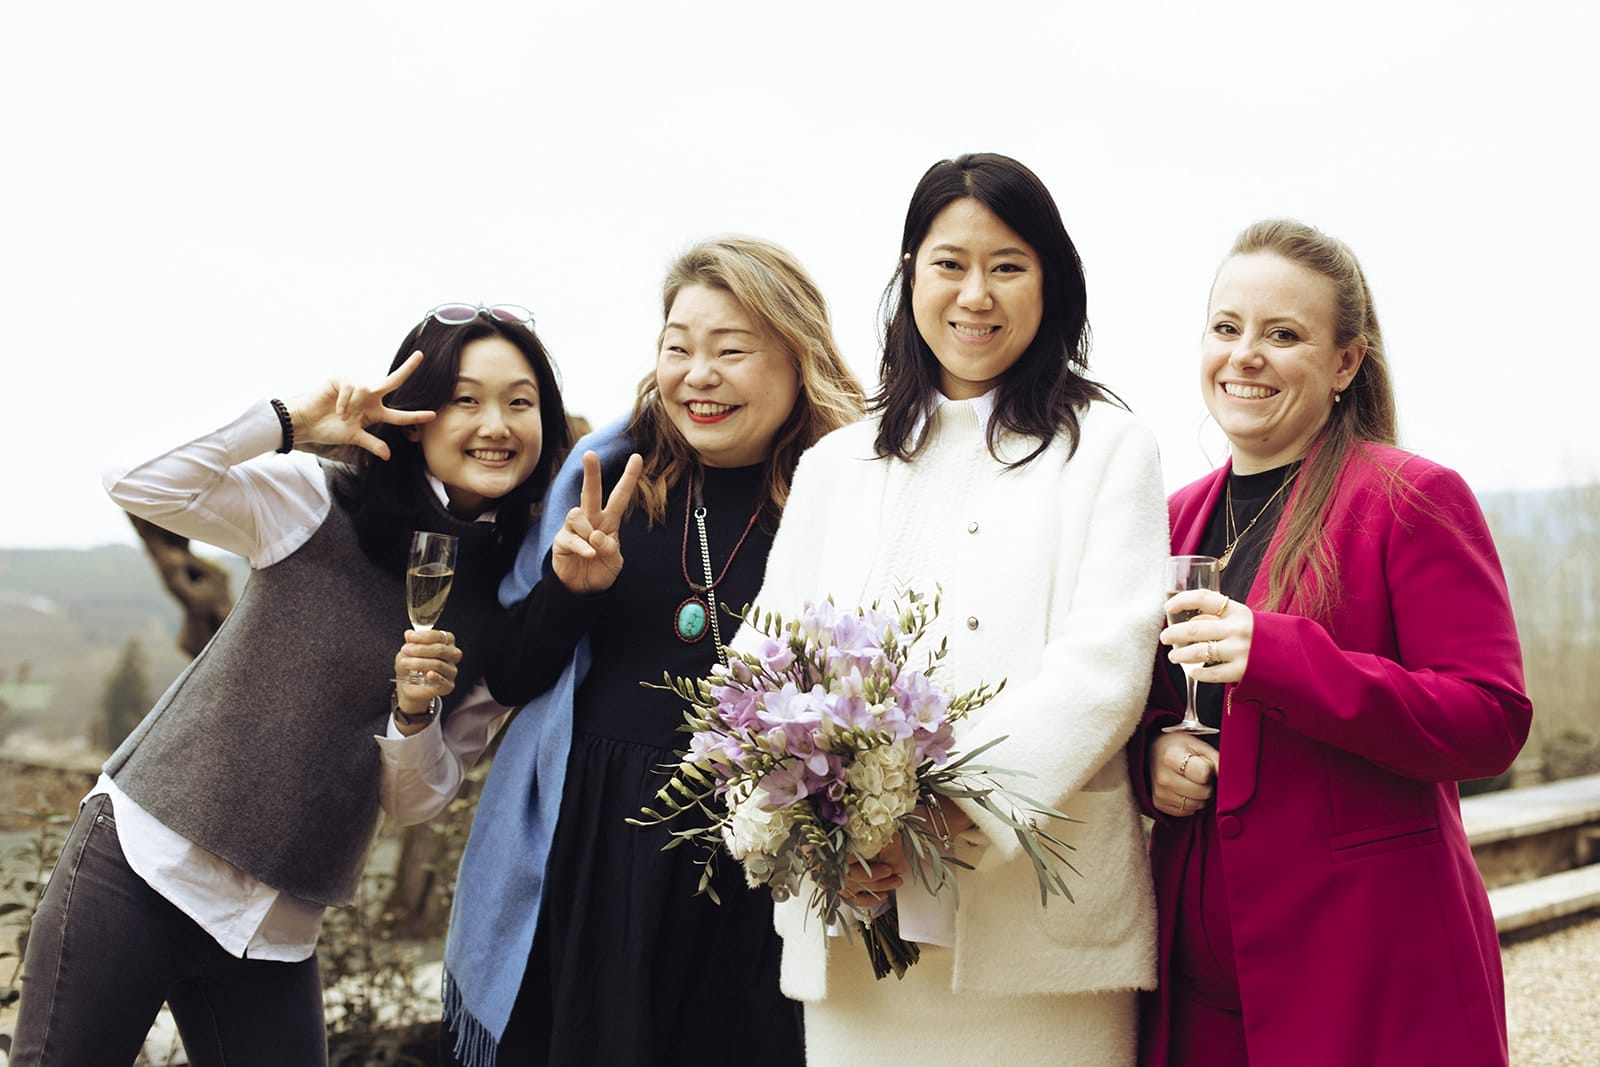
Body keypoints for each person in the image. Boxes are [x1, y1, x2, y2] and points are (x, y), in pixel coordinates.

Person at [11, 304, 570, 1067]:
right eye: (465, 399)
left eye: (520, 401)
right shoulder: (318, 500)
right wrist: (287, 419)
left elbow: (418, 802)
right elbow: (135, 481)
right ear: (415, 417)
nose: (495, 424)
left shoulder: (505, 600)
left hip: (276, 932)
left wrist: (414, 713)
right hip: (141, 868)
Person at [733, 153, 1168, 1062]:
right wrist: (819, 834)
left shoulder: (1109, 450)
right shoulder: (835, 466)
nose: (976, 294)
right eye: (949, 263)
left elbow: (1104, 670)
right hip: (855, 933)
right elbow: (757, 672)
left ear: (1052, 282)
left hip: (1039, 939)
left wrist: (934, 810)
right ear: (909, 277)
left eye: (1008, 265)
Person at [440, 236, 867, 1067]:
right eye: (678, 347)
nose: (696, 375)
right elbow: (515, 674)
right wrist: (570, 586)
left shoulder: (848, 493)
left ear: (796, 352)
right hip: (598, 845)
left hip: (759, 862)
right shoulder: (605, 476)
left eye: (729, 350)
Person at [1132, 219, 1531, 1065]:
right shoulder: (1172, 518)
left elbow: (1490, 718)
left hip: (1364, 984)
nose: (1246, 355)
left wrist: (1278, 654)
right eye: (1227, 328)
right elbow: (1151, 709)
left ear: (1346, 361)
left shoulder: (1411, 496)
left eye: (1284, 334)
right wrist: (1152, 759)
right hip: (1201, 1003)